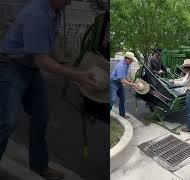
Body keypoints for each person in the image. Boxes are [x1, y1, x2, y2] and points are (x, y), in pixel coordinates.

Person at [0, 0, 98, 179]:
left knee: (41, 116)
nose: (69, 2)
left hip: (30, 68)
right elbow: (42, 61)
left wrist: (66, 66)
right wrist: (76, 75)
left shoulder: (54, 12)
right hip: (11, 66)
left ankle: (40, 166)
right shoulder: (36, 14)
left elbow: (50, 45)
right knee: (6, 121)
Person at [169, 59, 190, 132]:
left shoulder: (189, 74)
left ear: (187, 68)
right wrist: (177, 79)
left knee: (189, 112)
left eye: (184, 68)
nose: (183, 69)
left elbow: (182, 83)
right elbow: (182, 79)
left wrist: (173, 81)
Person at [110, 52, 140, 119]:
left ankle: (122, 114)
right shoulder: (121, 66)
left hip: (119, 83)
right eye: (131, 60)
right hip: (113, 82)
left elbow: (125, 76)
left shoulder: (127, 64)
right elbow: (123, 81)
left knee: (122, 99)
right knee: (112, 99)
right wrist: (134, 85)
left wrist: (130, 81)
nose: (132, 61)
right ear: (127, 59)